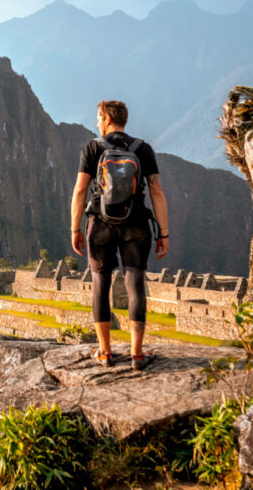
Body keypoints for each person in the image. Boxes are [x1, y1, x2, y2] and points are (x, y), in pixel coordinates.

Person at [70, 100, 169, 370]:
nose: (96, 123)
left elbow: (80, 190)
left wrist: (75, 228)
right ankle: (137, 354)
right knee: (135, 283)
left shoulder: (93, 148)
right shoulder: (143, 149)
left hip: (100, 224)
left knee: (100, 282)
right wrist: (164, 233)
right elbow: (157, 191)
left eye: (98, 118)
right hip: (136, 224)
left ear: (108, 119)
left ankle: (105, 352)